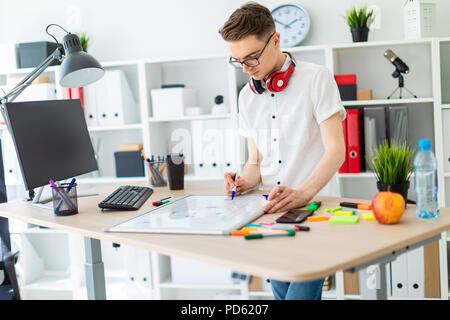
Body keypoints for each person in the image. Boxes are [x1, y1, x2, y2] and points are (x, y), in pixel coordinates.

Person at [219, 2, 346, 300]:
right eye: (237, 61)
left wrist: (303, 194)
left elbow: (336, 150)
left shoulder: (317, 78)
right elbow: (255, 161)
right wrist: (243, 181)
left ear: (275, 40)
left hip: (314, 211)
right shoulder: (246, 96)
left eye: (251, 58)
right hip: (271, 215)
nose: (246, 69)